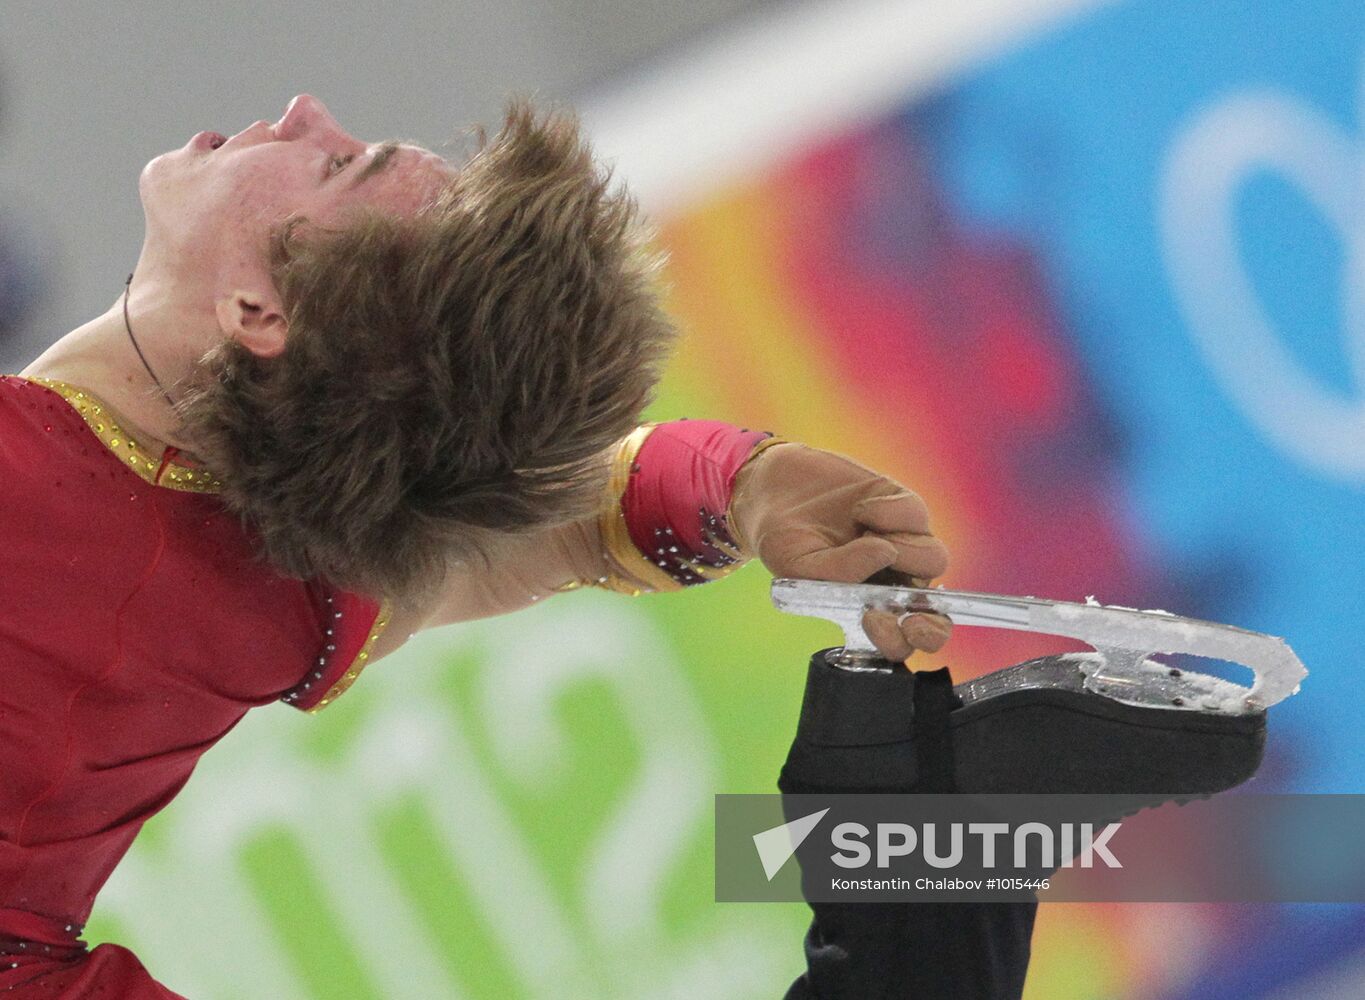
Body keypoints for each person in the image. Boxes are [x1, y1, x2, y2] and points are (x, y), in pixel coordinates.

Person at [0, 94, 958, 997]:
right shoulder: (292, 587)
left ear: (261, 314)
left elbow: (566, 531)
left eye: (336, 164)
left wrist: (739, 481)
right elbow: (572, 531)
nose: (304, 112)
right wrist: (741, 484)